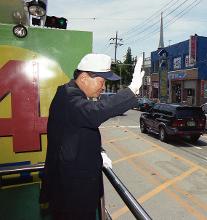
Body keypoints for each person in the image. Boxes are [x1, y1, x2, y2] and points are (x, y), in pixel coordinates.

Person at [40, 53, 143, 219]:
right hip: (71, 194)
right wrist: (132, 90)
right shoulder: (69, 97)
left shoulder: (70, 95)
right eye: (102, 82)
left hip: (73, 189)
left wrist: (98, 151)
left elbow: (77, 131)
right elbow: (94, 114)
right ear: (84, 77)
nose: (103, 88)